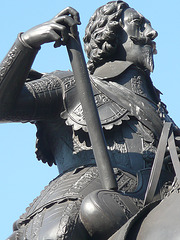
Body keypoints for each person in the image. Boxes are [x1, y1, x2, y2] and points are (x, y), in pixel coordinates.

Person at [1, 1, 179, 239]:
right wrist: (26, 44)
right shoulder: (70, 85)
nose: (151, 32)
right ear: (111, 35)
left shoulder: (161, 114)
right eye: (138, 24)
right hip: (74, 211)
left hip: (146, 204)